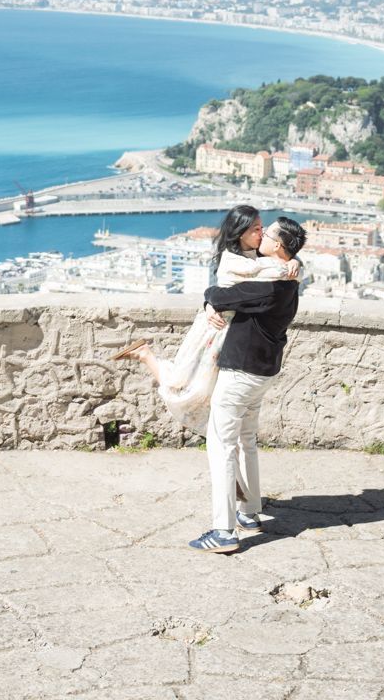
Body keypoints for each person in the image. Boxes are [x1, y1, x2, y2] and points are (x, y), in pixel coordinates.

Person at [188, 216, 306, 554]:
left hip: (241, 371)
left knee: (221, 445)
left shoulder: (269, 286)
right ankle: (250, 511)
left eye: (268, 234)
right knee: (246, 440)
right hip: (263, 372)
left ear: (278, 247)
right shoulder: (286, 280)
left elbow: (220, 293)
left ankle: (224, 531)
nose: (262, 234)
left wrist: (212, 299)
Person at [110, 206, 277, 423]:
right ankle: (146, 355)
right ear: (240, 232)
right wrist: (210, 304)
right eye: (256, 229)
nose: (262, 233)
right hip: (215, 331)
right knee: (186, 388)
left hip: (232, 335)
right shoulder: (232, 260)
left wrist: (292, 263)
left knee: (212, 394)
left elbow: (228, 292)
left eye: (262, 228)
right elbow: (225, 292)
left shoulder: (260, 255)